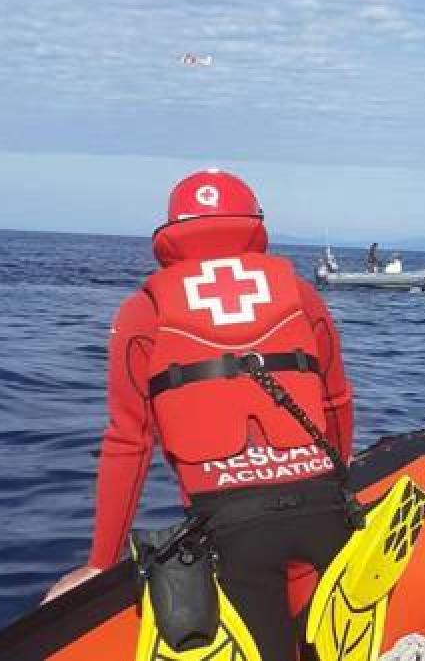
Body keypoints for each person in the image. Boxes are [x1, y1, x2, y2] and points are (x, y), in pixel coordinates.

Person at [43, 169, 356, 661]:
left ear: (170, 230)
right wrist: (340, 490)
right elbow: (337, 401)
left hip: (233, 530)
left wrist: (102, 562)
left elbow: (129, 441)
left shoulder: (143, 311)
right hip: (325, 513)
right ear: (253, 222)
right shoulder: (301, 295)